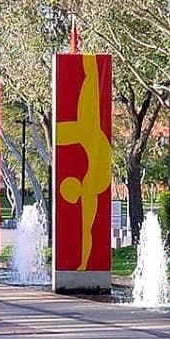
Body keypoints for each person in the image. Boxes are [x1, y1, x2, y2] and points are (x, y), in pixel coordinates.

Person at [57, 55, 111, 271]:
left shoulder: (87, 190)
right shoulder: (89, 193)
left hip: (89, 136)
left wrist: (83, 263)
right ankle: (91, 65)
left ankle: (90, 63)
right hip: (92, 137)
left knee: (90, 84)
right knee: (91, 86)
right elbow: (86, 231)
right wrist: (83, 263)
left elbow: (87, 232)